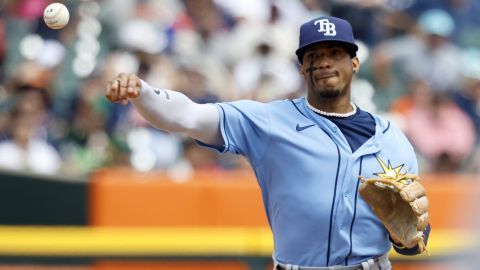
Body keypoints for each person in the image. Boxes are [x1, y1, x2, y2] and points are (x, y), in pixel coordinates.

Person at [106, 15, 430, 270]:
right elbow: (188, 117)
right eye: (314, 55)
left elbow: (414, 238)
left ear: (354, 63)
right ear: (303, 68)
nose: (325, 62)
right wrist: (143, 93)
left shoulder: (392, 138)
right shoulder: (269, 121)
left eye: (336, 53)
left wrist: (405, 236)